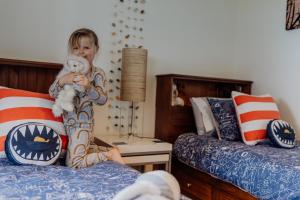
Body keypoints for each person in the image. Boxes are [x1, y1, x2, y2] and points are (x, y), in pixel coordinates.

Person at [49, 28, 124, 169]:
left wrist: (89, 87)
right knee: (75, 154)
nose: (81, 52)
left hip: (82, 125)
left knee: (73, 164)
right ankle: (104, 151)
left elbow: (102, 100)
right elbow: (52, 93)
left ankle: (109, 155)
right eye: (76, 48)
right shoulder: (68, 71)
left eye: (86, 47)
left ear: (96, 49)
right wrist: (62, 80)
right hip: (67, 125)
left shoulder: (97, 74)